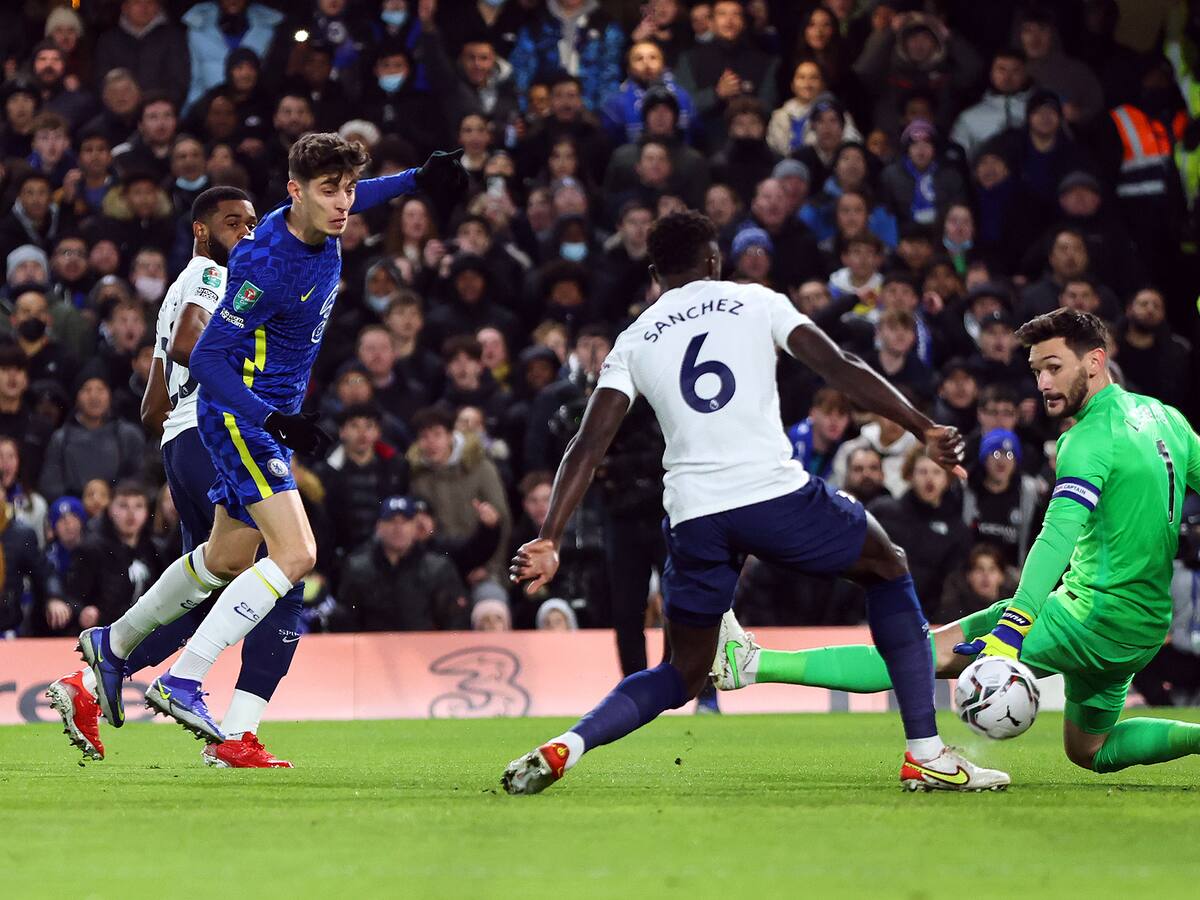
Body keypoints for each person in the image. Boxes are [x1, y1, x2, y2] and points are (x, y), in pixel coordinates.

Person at [502, 211, 1005, 794]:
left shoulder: (636, 337)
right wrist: (923, 427)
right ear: (715, 260)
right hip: (770, 494)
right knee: (887, 566)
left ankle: (570, 743)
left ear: (656, 274)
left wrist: (551, 536)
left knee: (681, 672)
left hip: (692, 515)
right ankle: (926, 752)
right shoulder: (756, 301)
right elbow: (840, 367)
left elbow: (587, 444)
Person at [73, 134, 467, 747]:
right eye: (329, 191)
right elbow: (204, 360)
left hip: (264, 415)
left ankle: (115, 641)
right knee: (297, 555)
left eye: (346, 190)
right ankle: (184, 678)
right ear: (294, 192)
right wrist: (271, 418)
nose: (343, 204)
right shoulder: (265, 263)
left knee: (228, 558)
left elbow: (359, 198)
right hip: (240, 417)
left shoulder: (321, 219)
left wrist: (418, 177)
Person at [714, 308, 1200, 777]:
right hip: (1141, 626)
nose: (1043, 383)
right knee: (1090, 750)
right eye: (1036, 371)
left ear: (1095, 361)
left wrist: (1015, 624)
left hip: (1091, 616)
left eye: (1054, 367)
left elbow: (1056, 536)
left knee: (917, 653)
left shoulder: (1088, 439)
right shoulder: (1166, 419)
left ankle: (753, 663)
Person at [47, 186, 302, 767]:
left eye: (253, 224)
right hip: (219, 438)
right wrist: (250, 398)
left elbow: (151, 407)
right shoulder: (214, 277)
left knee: (199, 596)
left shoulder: (176, 289)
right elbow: (192, 344)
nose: (247, 233)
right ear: (202, 232)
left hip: (180, 444)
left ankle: (86, 684)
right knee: (286, 573)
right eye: (233, 224)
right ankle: (236, 734)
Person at [334, 495, 469, 632]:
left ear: (415, 527)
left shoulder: (437, 569)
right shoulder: (358, 568)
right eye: (391, 521)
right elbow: (346, 617)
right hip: (371, 648)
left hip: (424, 649)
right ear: (379, 527)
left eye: (405, 521)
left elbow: (454, 620)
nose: (398, 528)